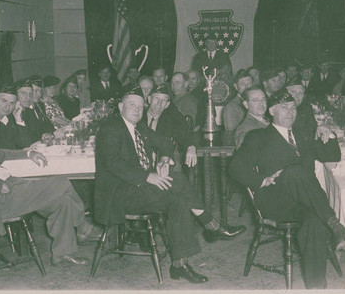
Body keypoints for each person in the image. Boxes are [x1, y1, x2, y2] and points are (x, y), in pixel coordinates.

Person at [94, 87, 244, 284]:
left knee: (178, 201)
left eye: (140, 106)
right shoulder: (110, 128)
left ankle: (179, 265)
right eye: (132, 105)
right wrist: (148, 176)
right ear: (121, 107)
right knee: (179, 181)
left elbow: (165, 142)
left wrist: (164, 159)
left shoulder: (139, 127)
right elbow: (112, 163)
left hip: (139, 190)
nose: (138, 110)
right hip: (119, 194)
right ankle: (211, 224)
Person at [0, 96, 100, 266]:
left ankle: (62, 254)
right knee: (61, 181)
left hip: (10, 188)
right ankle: (83, 227)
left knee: (63, 201)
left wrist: (28, 153)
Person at [230, 90, 345, 289]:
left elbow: (331, 157)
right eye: (284, 107)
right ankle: (334, 223)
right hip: (275, 200)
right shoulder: (258, 136)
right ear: (271, 111)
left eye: (293, 107)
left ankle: (316, 287)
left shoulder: (303, 135)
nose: (290, 111)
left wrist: (328, 135)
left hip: (306, 202)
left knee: (313, 221)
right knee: (294, 172)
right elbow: (236, 167)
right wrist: (261, 180)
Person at [16, 78, 55, 145]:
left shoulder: (37, 106)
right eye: (36, 91)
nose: (39, 94)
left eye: (30, 94)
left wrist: (47, 133)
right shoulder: (14, 112)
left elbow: (48, 125)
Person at [222, 69, 253, 145]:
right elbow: (233, 135)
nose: (247, 87)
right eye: (242, 84)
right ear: (236, 86)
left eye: (249, 83)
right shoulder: (231, 107)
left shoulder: (257, 102)